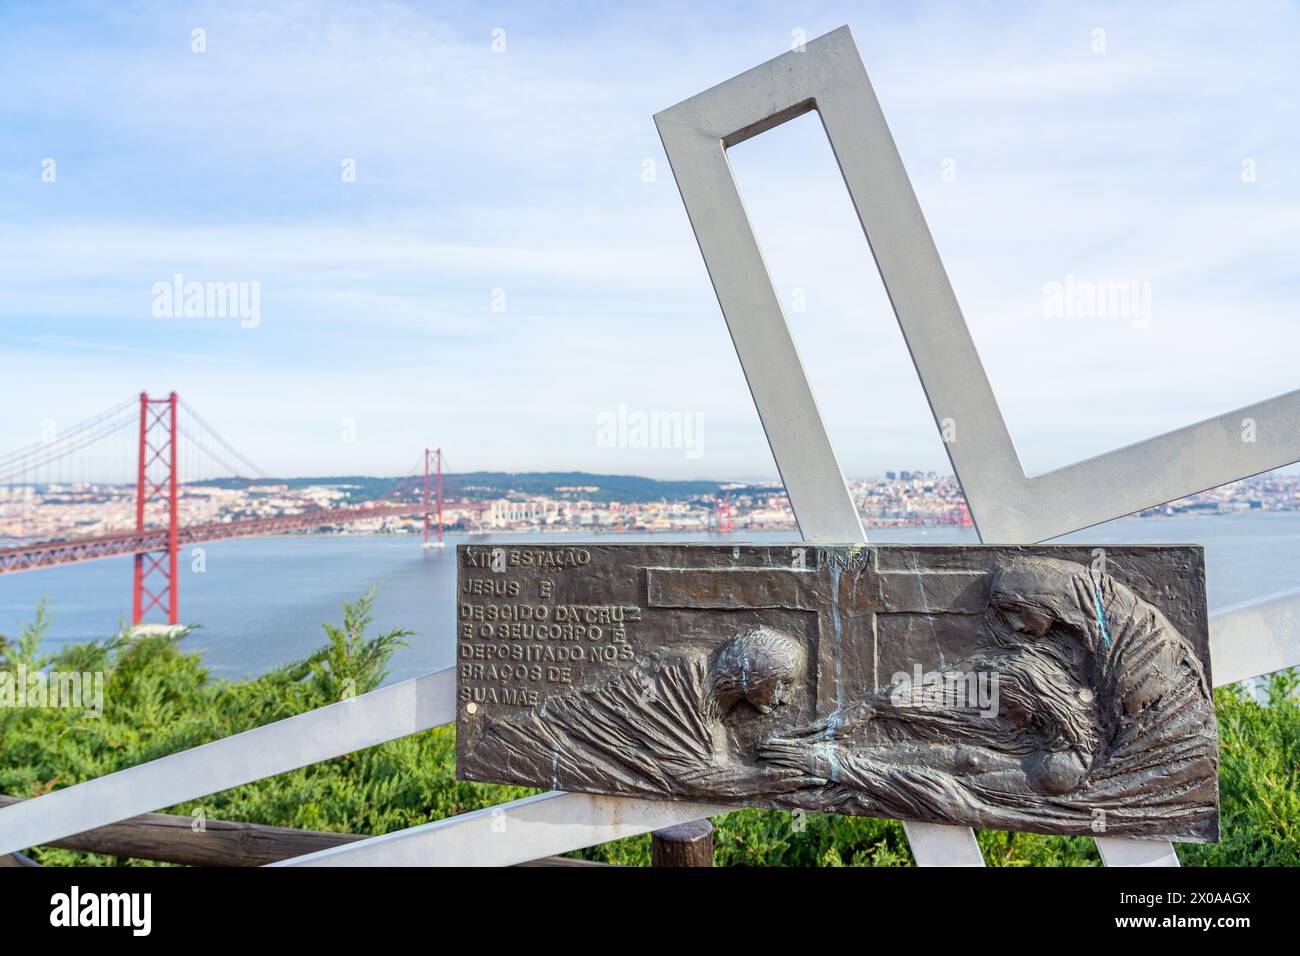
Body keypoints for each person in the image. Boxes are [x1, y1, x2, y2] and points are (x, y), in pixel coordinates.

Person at [758, 556, 1219, 841]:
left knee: (959, 769)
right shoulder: (1054, 677)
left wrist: (838, 761)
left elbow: (951, 786)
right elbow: (972, 686)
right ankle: (830, 759)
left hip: (1058, 769)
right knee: (960, 759)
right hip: (1054, 756)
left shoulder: (1057, 719)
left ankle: (829, 761)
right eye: (1006, 616)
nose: (1015, 628)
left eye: (1019, 614)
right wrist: (873, 708)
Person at [468, 625, 818, 799]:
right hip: (536, 742)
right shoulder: (675, 683)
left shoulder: (709, 710)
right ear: (749, 674)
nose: (785, 698)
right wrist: (759, 781)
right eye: (782, 683)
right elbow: (686, 775)